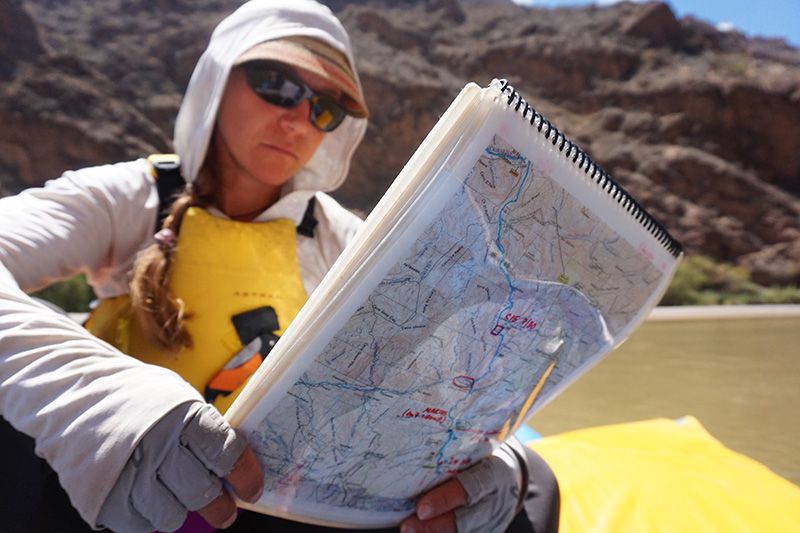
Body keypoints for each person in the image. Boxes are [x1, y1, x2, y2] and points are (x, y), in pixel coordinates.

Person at [0, 1, 559, 532]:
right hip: (133, 509)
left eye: (325, 108)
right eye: (277, 85)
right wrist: (99, 400)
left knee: (532, 484)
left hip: (271, 506)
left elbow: (422, 384)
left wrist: (488, 458)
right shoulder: (130, 199)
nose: (298, 119)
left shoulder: (343, 237)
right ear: (218, 78)